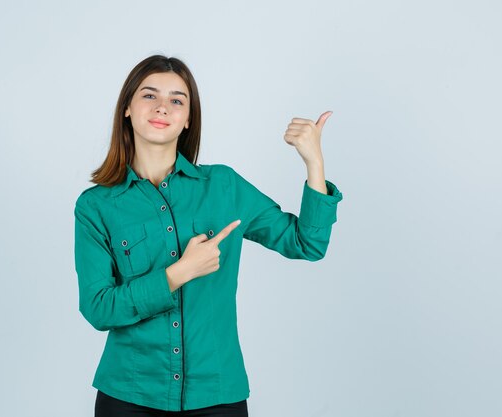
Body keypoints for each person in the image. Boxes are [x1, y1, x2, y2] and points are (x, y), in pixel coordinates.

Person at [73, 54, 344, 417]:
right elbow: (98, 307)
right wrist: (178, 273)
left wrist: (314, 163)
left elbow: (306, 243)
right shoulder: (96, 205)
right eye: (149, 95)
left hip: (216, 395)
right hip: (129, 395)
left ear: (187, 119)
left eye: (177, 100)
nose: (163, 108)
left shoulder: (224, 187)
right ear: (127, 107)